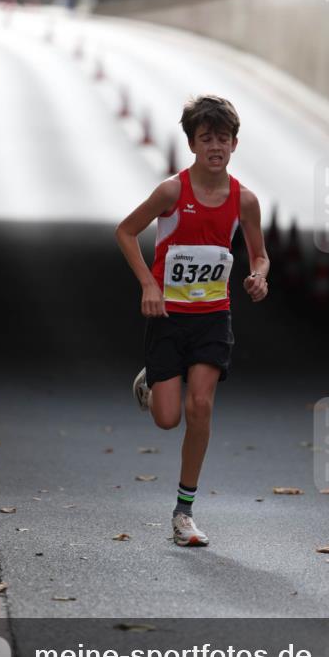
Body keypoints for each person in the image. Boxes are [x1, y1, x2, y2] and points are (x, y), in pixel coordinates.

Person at [115, 95, 269, 547]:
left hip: (212, 317)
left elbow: (259, 255)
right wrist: (148, 284)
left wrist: (259, 277)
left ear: (235, 143)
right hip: (167, 315)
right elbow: (125, 231)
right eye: (207, 138)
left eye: (223, 138)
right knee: (168, 418)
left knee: (200, 407)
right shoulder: (172, 192)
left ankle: (184, 514)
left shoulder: (245, 200)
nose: (215, 146)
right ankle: (152, 380)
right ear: (192, 143)